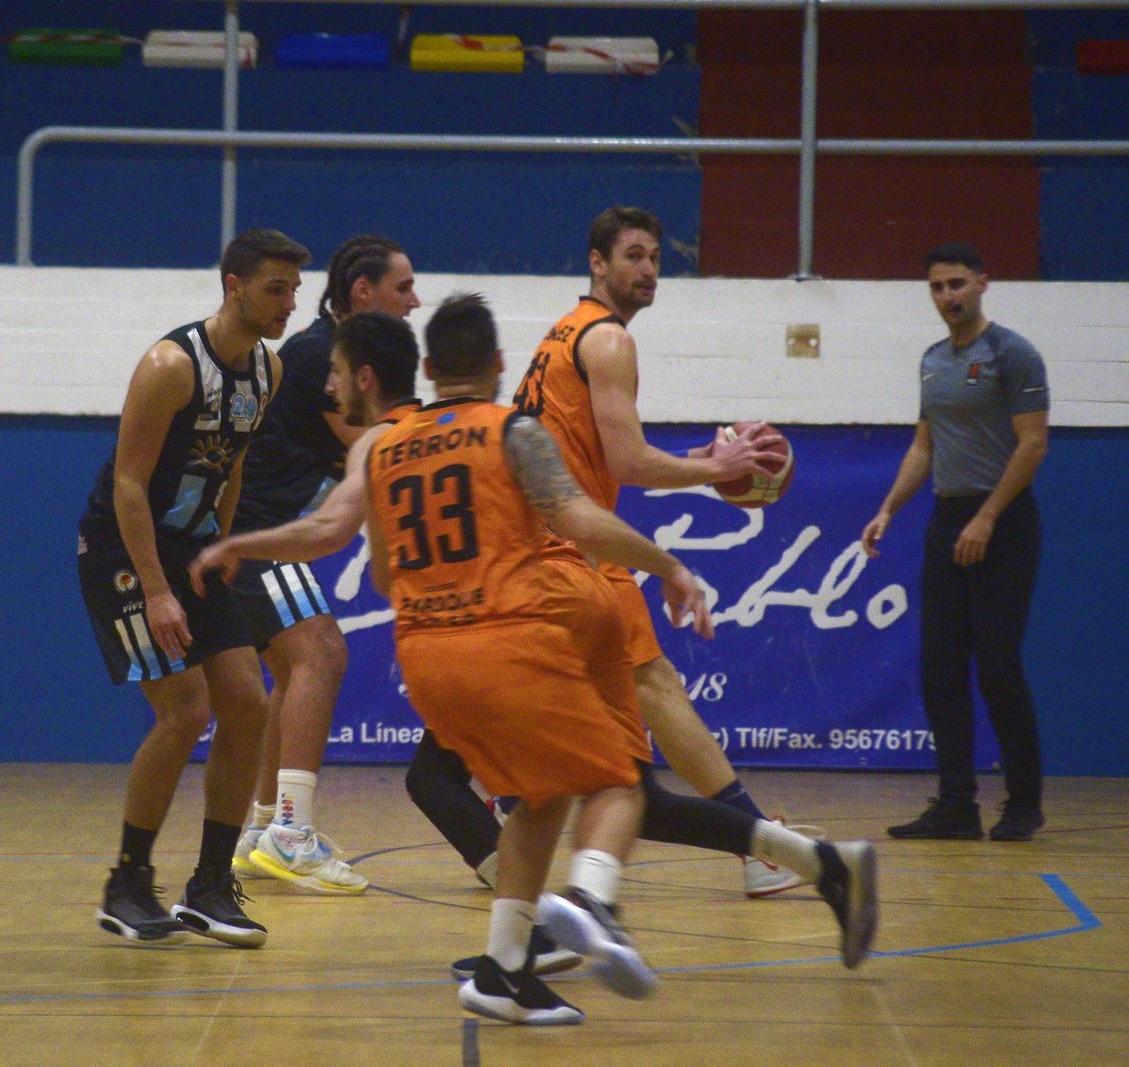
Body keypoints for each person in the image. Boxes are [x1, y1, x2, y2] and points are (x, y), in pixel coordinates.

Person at [194, 308, 879, 989]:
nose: (328, 386)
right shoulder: (494, 428)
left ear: (402, 372)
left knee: (598, 786)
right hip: (542, 608)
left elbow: (349, 540)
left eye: (337, 374)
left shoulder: (392, 444)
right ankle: (808, 864)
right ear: (497, 365)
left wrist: (240, 544)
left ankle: (577, 914)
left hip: (537, 611)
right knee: (557, 790)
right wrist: (672, 562)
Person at [513, 205, 812, 897]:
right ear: (598, 263)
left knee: (619, 718)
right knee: (654, 690)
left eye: (655, 257)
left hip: (540, 538)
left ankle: (519, 827)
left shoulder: (566, 331)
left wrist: (704, 457)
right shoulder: (608, 339)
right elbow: (629, 461)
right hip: (573, 545)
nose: (648, 269)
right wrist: (715, 467)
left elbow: (609, 452)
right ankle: (758, 847)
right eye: (633, 256)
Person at [78, 228, 309, 948]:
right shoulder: (170, 365)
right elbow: (128, 483)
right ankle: (127, 883)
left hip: (192, 550)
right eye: (276, 289)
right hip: (123, 547)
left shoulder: (267, 371)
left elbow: (230, 467)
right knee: (184, 710)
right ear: (233, 286)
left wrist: (222, 545)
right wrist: (157, 589)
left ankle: (209, 886)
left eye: (294, 290)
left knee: (248, 703)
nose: (289, 304)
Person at [225, 236, 420, 895]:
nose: (414, 301)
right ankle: (291, 833)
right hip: (257, 533)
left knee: (294, 670)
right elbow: (371, 441)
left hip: (265, 533)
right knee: (322, 654)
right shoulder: (319, 354)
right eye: (403, 287)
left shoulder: (335, 353)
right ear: (363, 293)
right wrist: (459, 427)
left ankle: (263, 829)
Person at [864, 243, 1050, 842]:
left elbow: (1033, 445)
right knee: (940, 668)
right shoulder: (933, 361)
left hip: (1004, 522)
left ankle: (1023, 804)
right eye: (937, 287)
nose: (947, 296)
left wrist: (989, 516)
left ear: (982, 284)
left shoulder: (1013, 354)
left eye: (957, 284)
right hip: (948, 520)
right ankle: (956, 807)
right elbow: (925, 446)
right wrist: (888, 509)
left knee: (997, 667)